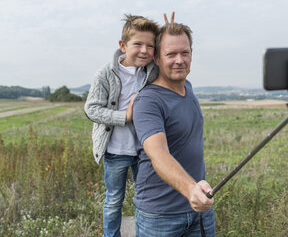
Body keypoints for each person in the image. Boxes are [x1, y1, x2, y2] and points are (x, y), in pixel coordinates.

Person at [133, 22, 216, 237]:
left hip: (199, 210)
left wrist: (195, 194)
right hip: (159, 216)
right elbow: (158, 153)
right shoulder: (148, 100)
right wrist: (191, 190)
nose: (179, 60)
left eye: (184, 53)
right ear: (157, 58)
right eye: (171, 54)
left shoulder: (188, 87)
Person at [84, 14, 160, 237]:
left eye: (150, 45)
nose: (145, 50)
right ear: (123, 45)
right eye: (138, 44)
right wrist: (124, 116)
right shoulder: (106, 73)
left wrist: (170, 29)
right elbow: (91, 109)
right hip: (115, 151)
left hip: (143, 150)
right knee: (114, 199)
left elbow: (174, 63)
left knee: (145, 198)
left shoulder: (152, 71)